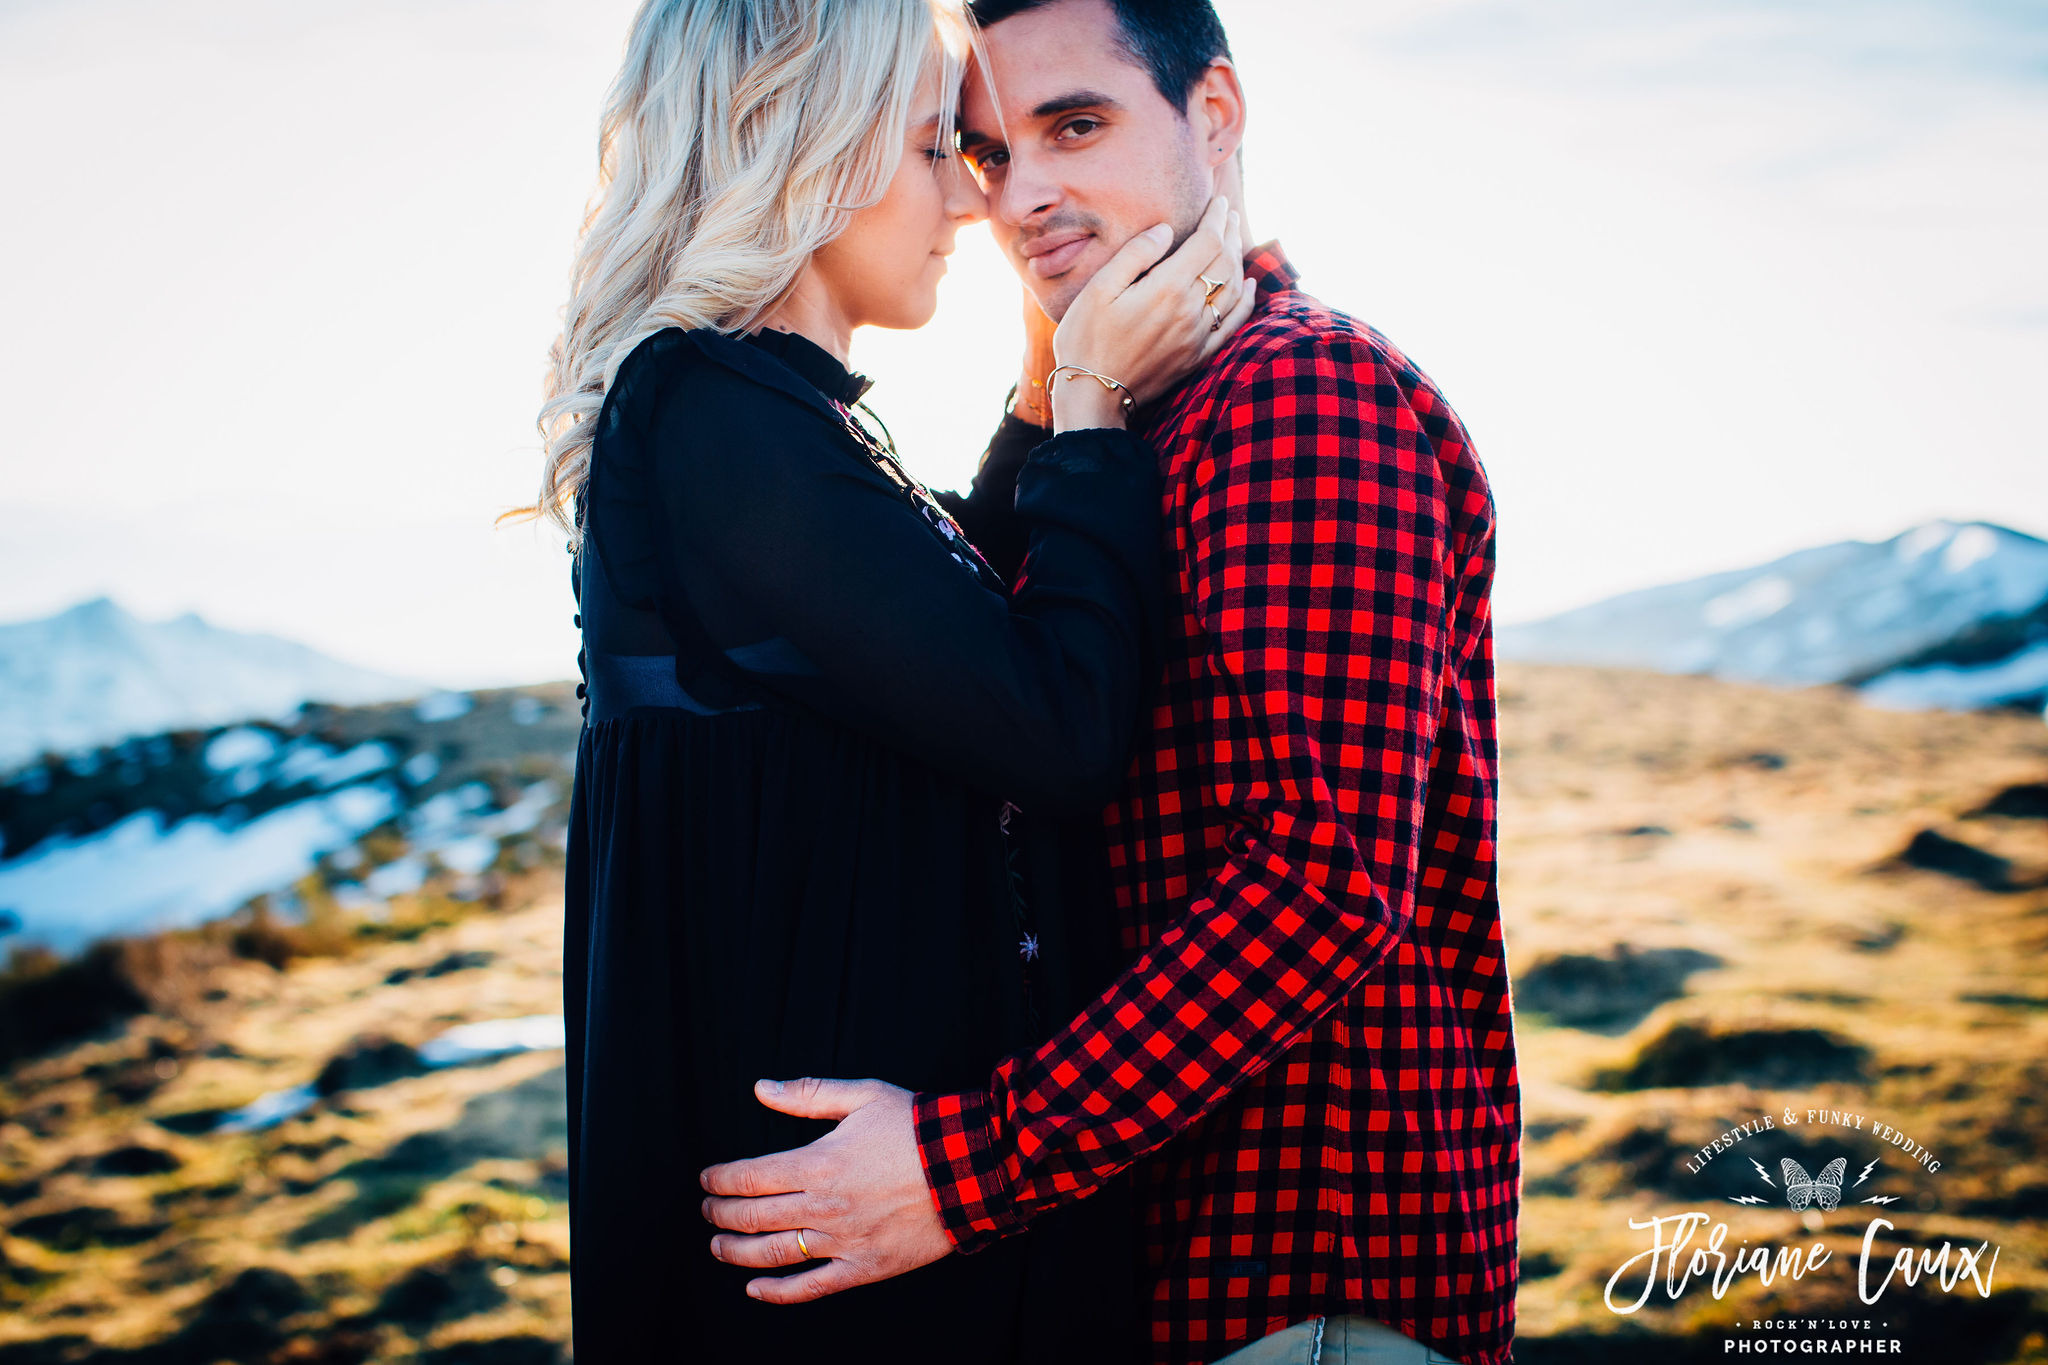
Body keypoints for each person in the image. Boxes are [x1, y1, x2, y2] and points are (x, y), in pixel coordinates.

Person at [696, 2, 1521, 1364]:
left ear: (1215, 115)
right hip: (1156, 1274)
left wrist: (962, 1168)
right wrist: (1058, 395)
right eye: (985, 154)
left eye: (1076, 127)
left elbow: (1322, 882)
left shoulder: (1303, 395)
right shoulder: (1144, 417)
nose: (1021, 196)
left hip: (1304, 1294)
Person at [509, 0, 1256, 1359]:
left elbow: (934, 631)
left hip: (871, 1243)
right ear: (801, 147)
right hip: (823, 1283)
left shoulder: (770, 422)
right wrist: (1090, 408)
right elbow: (1053, 721)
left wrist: (1043, 393)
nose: (974, 210)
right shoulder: (713, 418)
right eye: (934, 150)